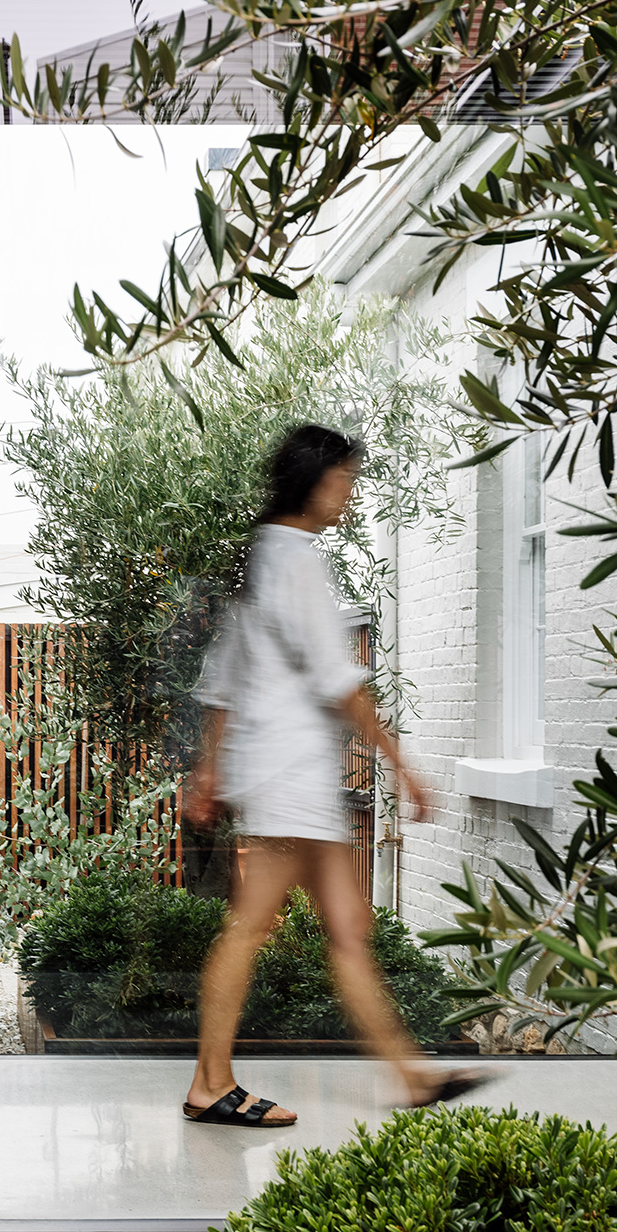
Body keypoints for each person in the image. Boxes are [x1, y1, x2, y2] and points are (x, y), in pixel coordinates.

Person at [181, 423, 486, 1127]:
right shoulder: (293, 561)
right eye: (344, 478)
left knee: (349, 928)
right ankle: (211, 1084)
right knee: (252, 927)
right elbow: (338, 679)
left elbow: (229, 674)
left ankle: (410, 1076)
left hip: (292, 775)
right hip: (289, 776)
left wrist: (209, 770)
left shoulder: (264, 556)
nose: (349, 492)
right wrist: (402, 764)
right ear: (314, 479)